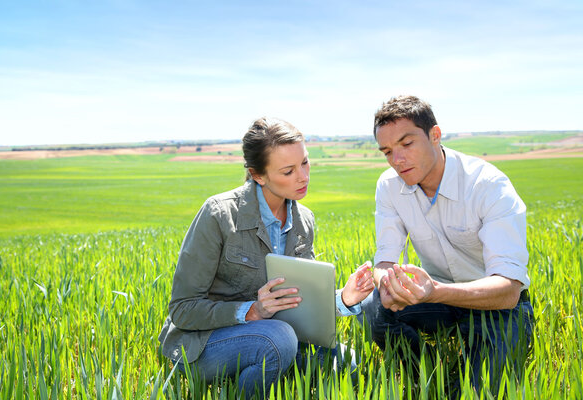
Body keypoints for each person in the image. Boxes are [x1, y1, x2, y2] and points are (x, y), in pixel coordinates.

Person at [158, 117, 374, 399]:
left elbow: (298, 301)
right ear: (258, 175)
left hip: (272, 336)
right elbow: (183, 309)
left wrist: (344, 298)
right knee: (278, 339)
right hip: (203, 344)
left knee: (346, 360)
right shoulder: (218, 214)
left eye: (305, 163)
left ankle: (260, 373)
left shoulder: (304, 220)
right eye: (288, 171)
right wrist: (251, 311)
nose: (303, 176)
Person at [361, 95, 534, 393]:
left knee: (479, 392)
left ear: (435, 136)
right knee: (373, 308)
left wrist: (435, 291)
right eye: (387, 151)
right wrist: (389, 285)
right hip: (436, 299)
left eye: (406, 144)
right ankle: (430, 373)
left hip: (494, 305)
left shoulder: (488, 185)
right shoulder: (389, 185)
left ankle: (461, 380)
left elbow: (508, 291)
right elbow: (384, 261)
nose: (397, 160)